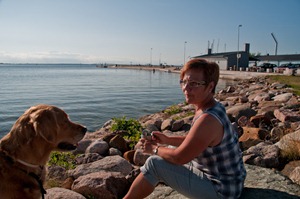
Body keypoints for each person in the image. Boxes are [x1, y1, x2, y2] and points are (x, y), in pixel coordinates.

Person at [124, 58, 246, 199]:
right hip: (228, 181)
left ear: (210, 86)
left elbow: (179, 158)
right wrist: (168, 139)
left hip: (222, 191)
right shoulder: (211, 106)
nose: (186, 88)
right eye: (184, 82)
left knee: (154, 164)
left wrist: (154, 149)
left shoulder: (208, 119)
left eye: (194, 84)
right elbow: (195, 141)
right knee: (169, 147)